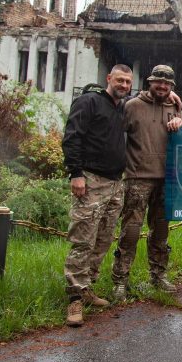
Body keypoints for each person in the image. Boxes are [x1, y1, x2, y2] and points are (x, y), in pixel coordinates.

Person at [61, 64, 133, 327]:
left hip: (115, 185)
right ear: (109, 78)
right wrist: (75, 173)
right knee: (82, 240)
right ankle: (74, 300)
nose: (124, 85)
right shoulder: (88, 101)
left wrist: (174, 98)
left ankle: (88, 287)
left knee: (103, 240)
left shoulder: (122, 108)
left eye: (128, 82)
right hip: (90, 181)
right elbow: (72, 137)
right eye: (120, 80)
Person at [111, 64, 182, 301]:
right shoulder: (131, 106)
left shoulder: (175, 106)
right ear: (149, 82)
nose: (162, 87)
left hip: (166, 179)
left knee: (161, 231)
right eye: (158, 82)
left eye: (167, 84)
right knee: (131, 231)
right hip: (137, 178)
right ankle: (120, 280)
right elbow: (114, 136)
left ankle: (158, 275)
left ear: (172, 87)